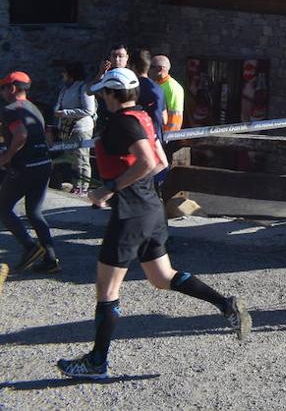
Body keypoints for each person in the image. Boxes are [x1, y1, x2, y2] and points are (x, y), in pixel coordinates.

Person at [57, 67, 249, 380]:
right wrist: (126, 183)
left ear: (113, 94)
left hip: (130, 214)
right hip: (151, 210)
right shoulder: (144, 117)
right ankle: (225, 305)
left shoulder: (121, 122)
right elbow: (160, 161)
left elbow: (147, 162)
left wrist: (109, 187)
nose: (102, 98)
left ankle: (96, 362)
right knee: (162, 277)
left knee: (107, 290)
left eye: (104, 92)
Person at [1, 71, 60, 274]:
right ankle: (51, 259)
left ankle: (30, 247)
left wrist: (6, 157)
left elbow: (21, 135)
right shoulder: (34, 108)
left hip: (24, 167)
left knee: (3, 208)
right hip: (43, 164)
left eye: (3, 88)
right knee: (34, 212)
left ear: (12, 88)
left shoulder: (10, 110)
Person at [52, 62, 97, 194]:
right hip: (68, 128)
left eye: (65, 72)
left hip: (81, 129)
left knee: (82, 158)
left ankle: (83, 187)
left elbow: (89, 110)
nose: (62, 75)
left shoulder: (84, 88)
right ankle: (75, 184)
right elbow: (59, 104)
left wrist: (65, 113)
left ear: (71, 74)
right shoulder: (65, 89)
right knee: (72, 159)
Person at [149, 55, 184, 133]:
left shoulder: (172, 87)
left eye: (151, 66)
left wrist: (167, 136)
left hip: (166, 136)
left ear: (160, 69)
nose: (148, 69)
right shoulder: (159, 84)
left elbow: (175, 115)